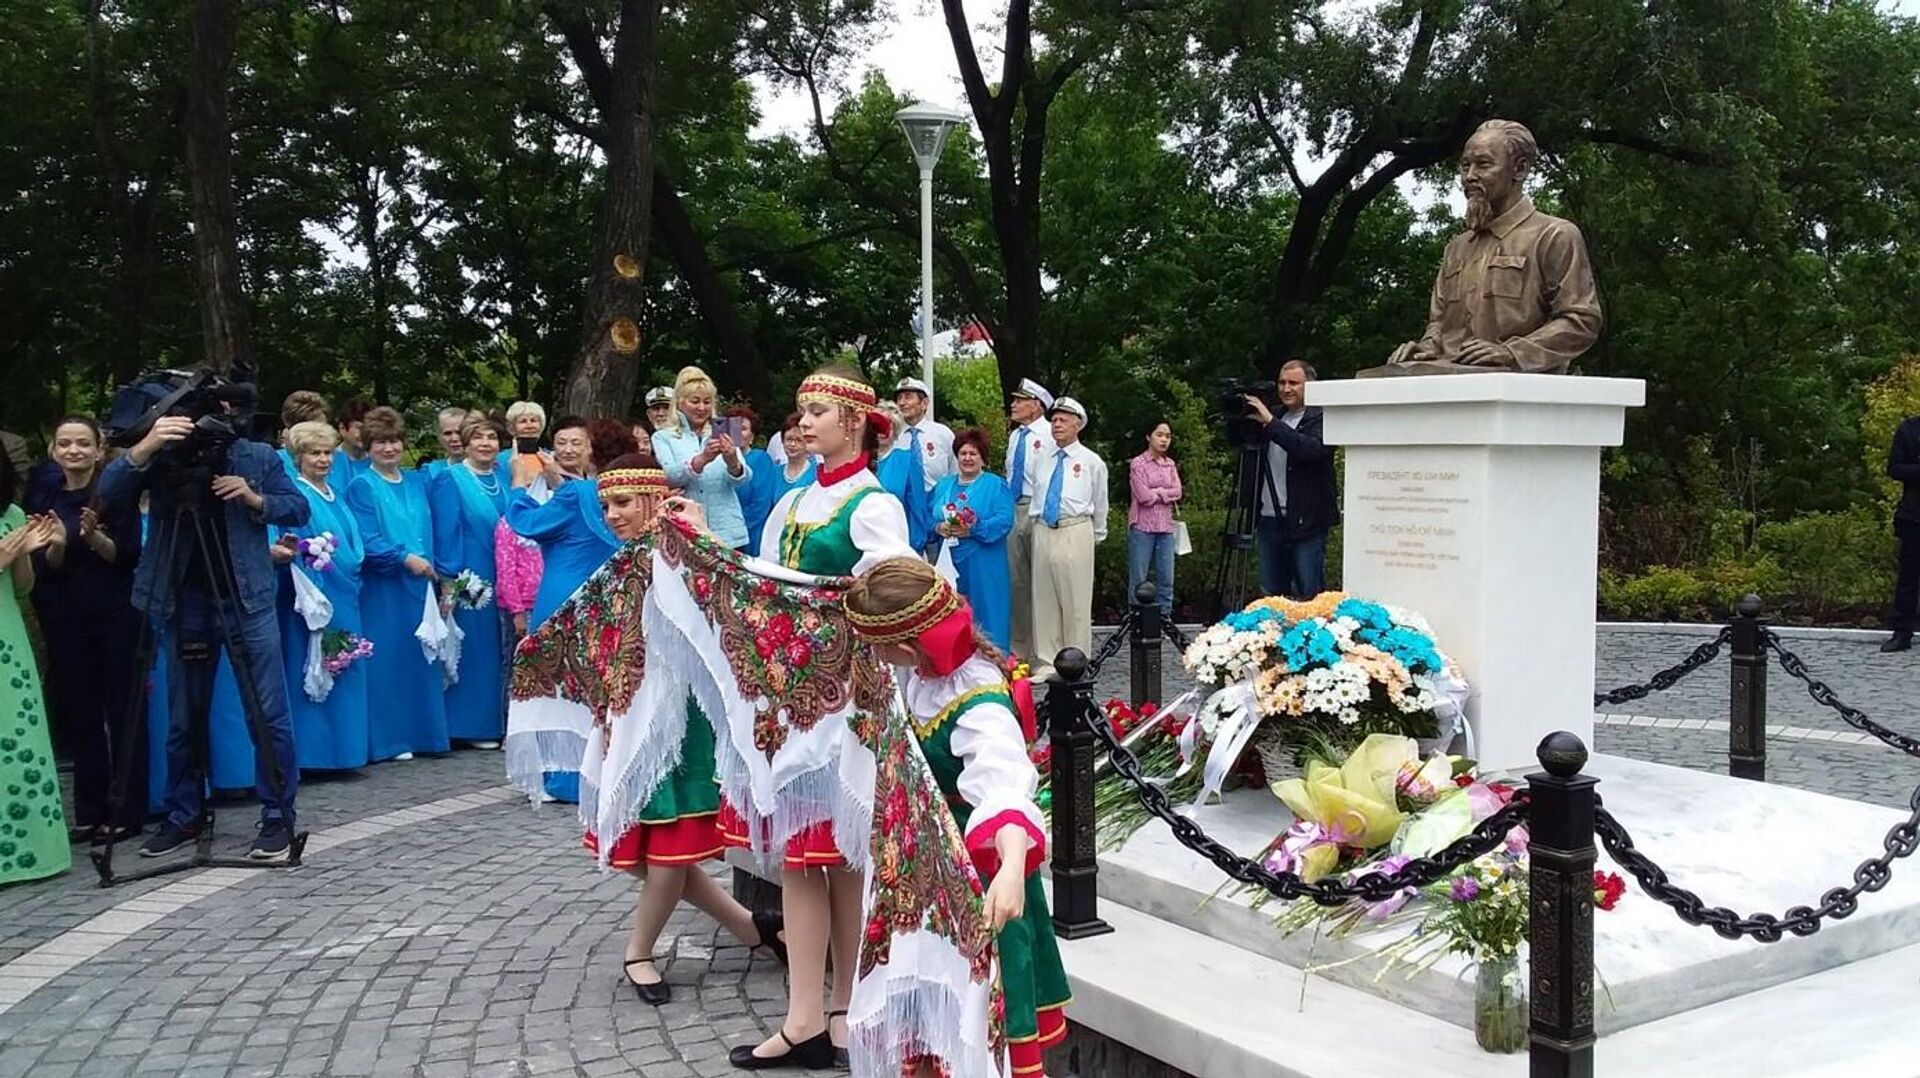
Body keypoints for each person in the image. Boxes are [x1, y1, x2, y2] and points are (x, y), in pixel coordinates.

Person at [674, 365, 917, 1069]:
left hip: (841, 704)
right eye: (801, 410)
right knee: (814, 860)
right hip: (794, 702)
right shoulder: (795, 500)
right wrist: (703, 544)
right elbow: (763, 584)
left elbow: (895, 594)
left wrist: (834, 615)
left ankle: (828, 1012)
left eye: (818, 411)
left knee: (831, 859)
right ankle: (817, 1013)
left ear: (854, 424)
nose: (804, 421)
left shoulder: (872, 504)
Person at [843, 558, 1069, 1078]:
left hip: (977, 884)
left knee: (974, 1032)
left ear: (904, 645)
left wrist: (1012, 868)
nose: (870, 654)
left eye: (874, 644)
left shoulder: (978, 702)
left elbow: (1005, 785)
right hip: (923, 878)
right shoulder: (917, 672)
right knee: (926, 1028)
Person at [586, 454, 786, 1005]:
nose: (612, 514)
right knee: (660, 851)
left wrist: (701, 536)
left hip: (682, 719)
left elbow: (736, 599)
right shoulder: (626, 560)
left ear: (653, 498)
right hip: (637, 714)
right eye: (605, 505)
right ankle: (750, 927)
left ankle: (639, 951)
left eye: (623, 502)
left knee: (670, 847)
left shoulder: (688, 550)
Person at [99, 398, 310, 861]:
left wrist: (255, 499)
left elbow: (297, 509)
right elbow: (109, 490)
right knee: (182, 716)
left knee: (267, 713)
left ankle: (277, 816)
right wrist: (149, 444)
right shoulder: (163, 453)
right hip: (182, 599)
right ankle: (183, 815)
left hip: (246, 599)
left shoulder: (255, 455)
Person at [1383, 118, 1603, 375]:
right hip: (1450, 382)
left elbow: (1581, 321)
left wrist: (1512, 353)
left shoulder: (1554, 235)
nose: (1469, 177)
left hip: (1519, 390)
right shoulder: (1456, 248)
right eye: (1465, 166)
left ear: (1519, 170)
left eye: (1483, 165)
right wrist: (1427, 346)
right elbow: (1439, 323)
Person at [26, 416, 145, 842]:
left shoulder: (115, 490)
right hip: (63, 611)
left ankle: (129, 809)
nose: (73, 451)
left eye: (82, 443)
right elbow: (46, 565)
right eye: (64, 443)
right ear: (54, 451)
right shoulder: (42, 491)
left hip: (115, 609)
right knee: (81, 711)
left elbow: (125, 556)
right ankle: (89, 809)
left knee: (123, 707)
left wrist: (92, 538)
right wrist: (58, 545)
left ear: (98, 450)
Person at [344, 407, 450, 760]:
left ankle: (424, 735)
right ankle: (391, 740)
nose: (389, 449)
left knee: (421, 659)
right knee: (388, 662)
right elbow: (366, 537)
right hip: (386, 584)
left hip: (421, 585)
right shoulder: (362, 485)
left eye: (394, 442)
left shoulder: (416, 481)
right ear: (369, 447)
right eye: (380, 443)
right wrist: (403, 558)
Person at [275, 422, 372, 771]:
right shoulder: (296, 495)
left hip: (345, 592)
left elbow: (352, 542)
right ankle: (315, 754)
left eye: (328, 452)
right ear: (299, 458)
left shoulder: (336, 493)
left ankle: (346, 751)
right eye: (314, 453)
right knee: (316, 663)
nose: (322, 460)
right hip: (315, 595)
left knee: (345, 661)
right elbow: (290, 540)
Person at [0, 453, 71, 885]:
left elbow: (22, 587)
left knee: (17, 739)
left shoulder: (9, 513)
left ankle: (29, 851)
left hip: (9, 643)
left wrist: (27, 552)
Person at [428, 411, 511, 748]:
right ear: (465, 442)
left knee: (497, 646)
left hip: (502, 571)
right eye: (478, 437)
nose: (486, 444)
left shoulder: (504, 478)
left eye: (491, 437)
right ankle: (467, 725)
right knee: (472, 648)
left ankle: (494, 720)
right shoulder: (451, 479)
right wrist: (449, 578)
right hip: (469, 572)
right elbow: (445, 530)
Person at [1028, 397, 1108, 679]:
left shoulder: (1090, 462)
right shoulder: (1043, 459)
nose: (1057, 424)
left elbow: (1100, 502)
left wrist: (1096, 535)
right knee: (1044, 599)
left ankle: (1076, 658)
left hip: (1075, 528)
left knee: (1075, 599)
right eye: (1054, 419)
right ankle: (1048, 661)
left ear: (1078, 424)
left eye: (1064, 419)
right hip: (1044, 528)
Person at [1248, 360, 1338, 599]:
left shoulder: (1322, 418)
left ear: (1310, 386)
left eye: (1294, 383)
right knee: (1272, 599)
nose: (1286, 389)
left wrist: (1271, 423)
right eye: (1282, 382)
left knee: (1309, 597)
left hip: (1305, 521)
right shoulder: (1274, 416)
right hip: (1269, 520)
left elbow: (1309, 450)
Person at [930, 429, 1015, 650]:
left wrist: (974, 529)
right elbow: (928, 516)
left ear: (983, 459)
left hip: (983, 561)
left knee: (987, 612)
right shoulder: (943, 485)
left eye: (973, 454)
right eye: (963, 453)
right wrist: (938, 527)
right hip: (949, 559)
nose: (967, 458)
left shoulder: (996, 485)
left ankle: (995, 663)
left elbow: (1004, 520)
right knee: (953, 613)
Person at [651, 366, 752, 551]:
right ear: (680, 403)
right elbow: (668, 478)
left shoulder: (726, 427)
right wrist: (701, 460)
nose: (702, 407)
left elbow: (743, 481)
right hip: (685, 531)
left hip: (729, 533)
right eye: (695, 401)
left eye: (707, 402)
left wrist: (732, 461)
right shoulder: (662, 436)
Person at [1004, 378, 1053, 663]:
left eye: (1020, 400)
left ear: (1036, 405)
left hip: (1037, 509)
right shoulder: (1015, 436)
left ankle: (1045, 651)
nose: (1014, 404)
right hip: (1014, 508)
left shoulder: (1048, 433)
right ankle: (1020, 650)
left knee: (1042, 582)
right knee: (1018, 582)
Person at [1127, 420, 1183, 618]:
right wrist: (1163, 493)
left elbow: (1178, 492)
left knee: (1166, 577)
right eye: (1159, 435)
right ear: (1149, 437)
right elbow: (1143, 497)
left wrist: (1157, 493)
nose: (1164, 439)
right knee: (1139, 578)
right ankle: (1136, 618)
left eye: (1168, 436)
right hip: (1142, 526)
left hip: (1165, 527)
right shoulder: (1138, 464)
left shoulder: (1170, 464)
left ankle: (1165, 617)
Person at [873, 401, 932, 552]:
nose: (883, 431)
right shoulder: (858, 461)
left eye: (889, 425)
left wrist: (914, 547)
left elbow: (917, 507)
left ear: (895, 429)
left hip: (898, 544)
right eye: (879, 426)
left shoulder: (906, 460)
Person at [1884, 411, 1920, 653]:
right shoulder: (1908, 429)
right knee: (1908, 577)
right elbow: (1895, 468)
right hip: (1914, 515)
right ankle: (1902, 632)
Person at [893, 376, 956, 497]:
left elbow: (955, 473)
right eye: (899, 398)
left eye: (908, 397)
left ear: (924, 403)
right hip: (902, 505)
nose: (901, 403)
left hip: (936, 503)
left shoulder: (943, 434)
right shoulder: (892, 436)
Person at [729, 406, 781, 543]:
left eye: (743, 429)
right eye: (733, 427)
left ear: (751, 436)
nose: (737, 433)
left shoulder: (761, 459)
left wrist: (735, 529)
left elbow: (760, 505)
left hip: (749, 535)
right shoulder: (716, 462)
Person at [506, 400, 549, 490]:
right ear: (512, 427)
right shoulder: (501, 459)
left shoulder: (550, 457)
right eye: (523, 421)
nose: (529, 426)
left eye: (533, 420)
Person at [336, 397, 375, 485]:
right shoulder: (328, 463)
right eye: (360, 428)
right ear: (342, 428)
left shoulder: (379, 462)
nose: (365, 433)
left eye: (369, 428)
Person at [426, 406, 468, 478]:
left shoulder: (490, 468)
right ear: (439, 437)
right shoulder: (431, 472)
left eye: (459, 432)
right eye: (447, 433)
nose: (454, 439)